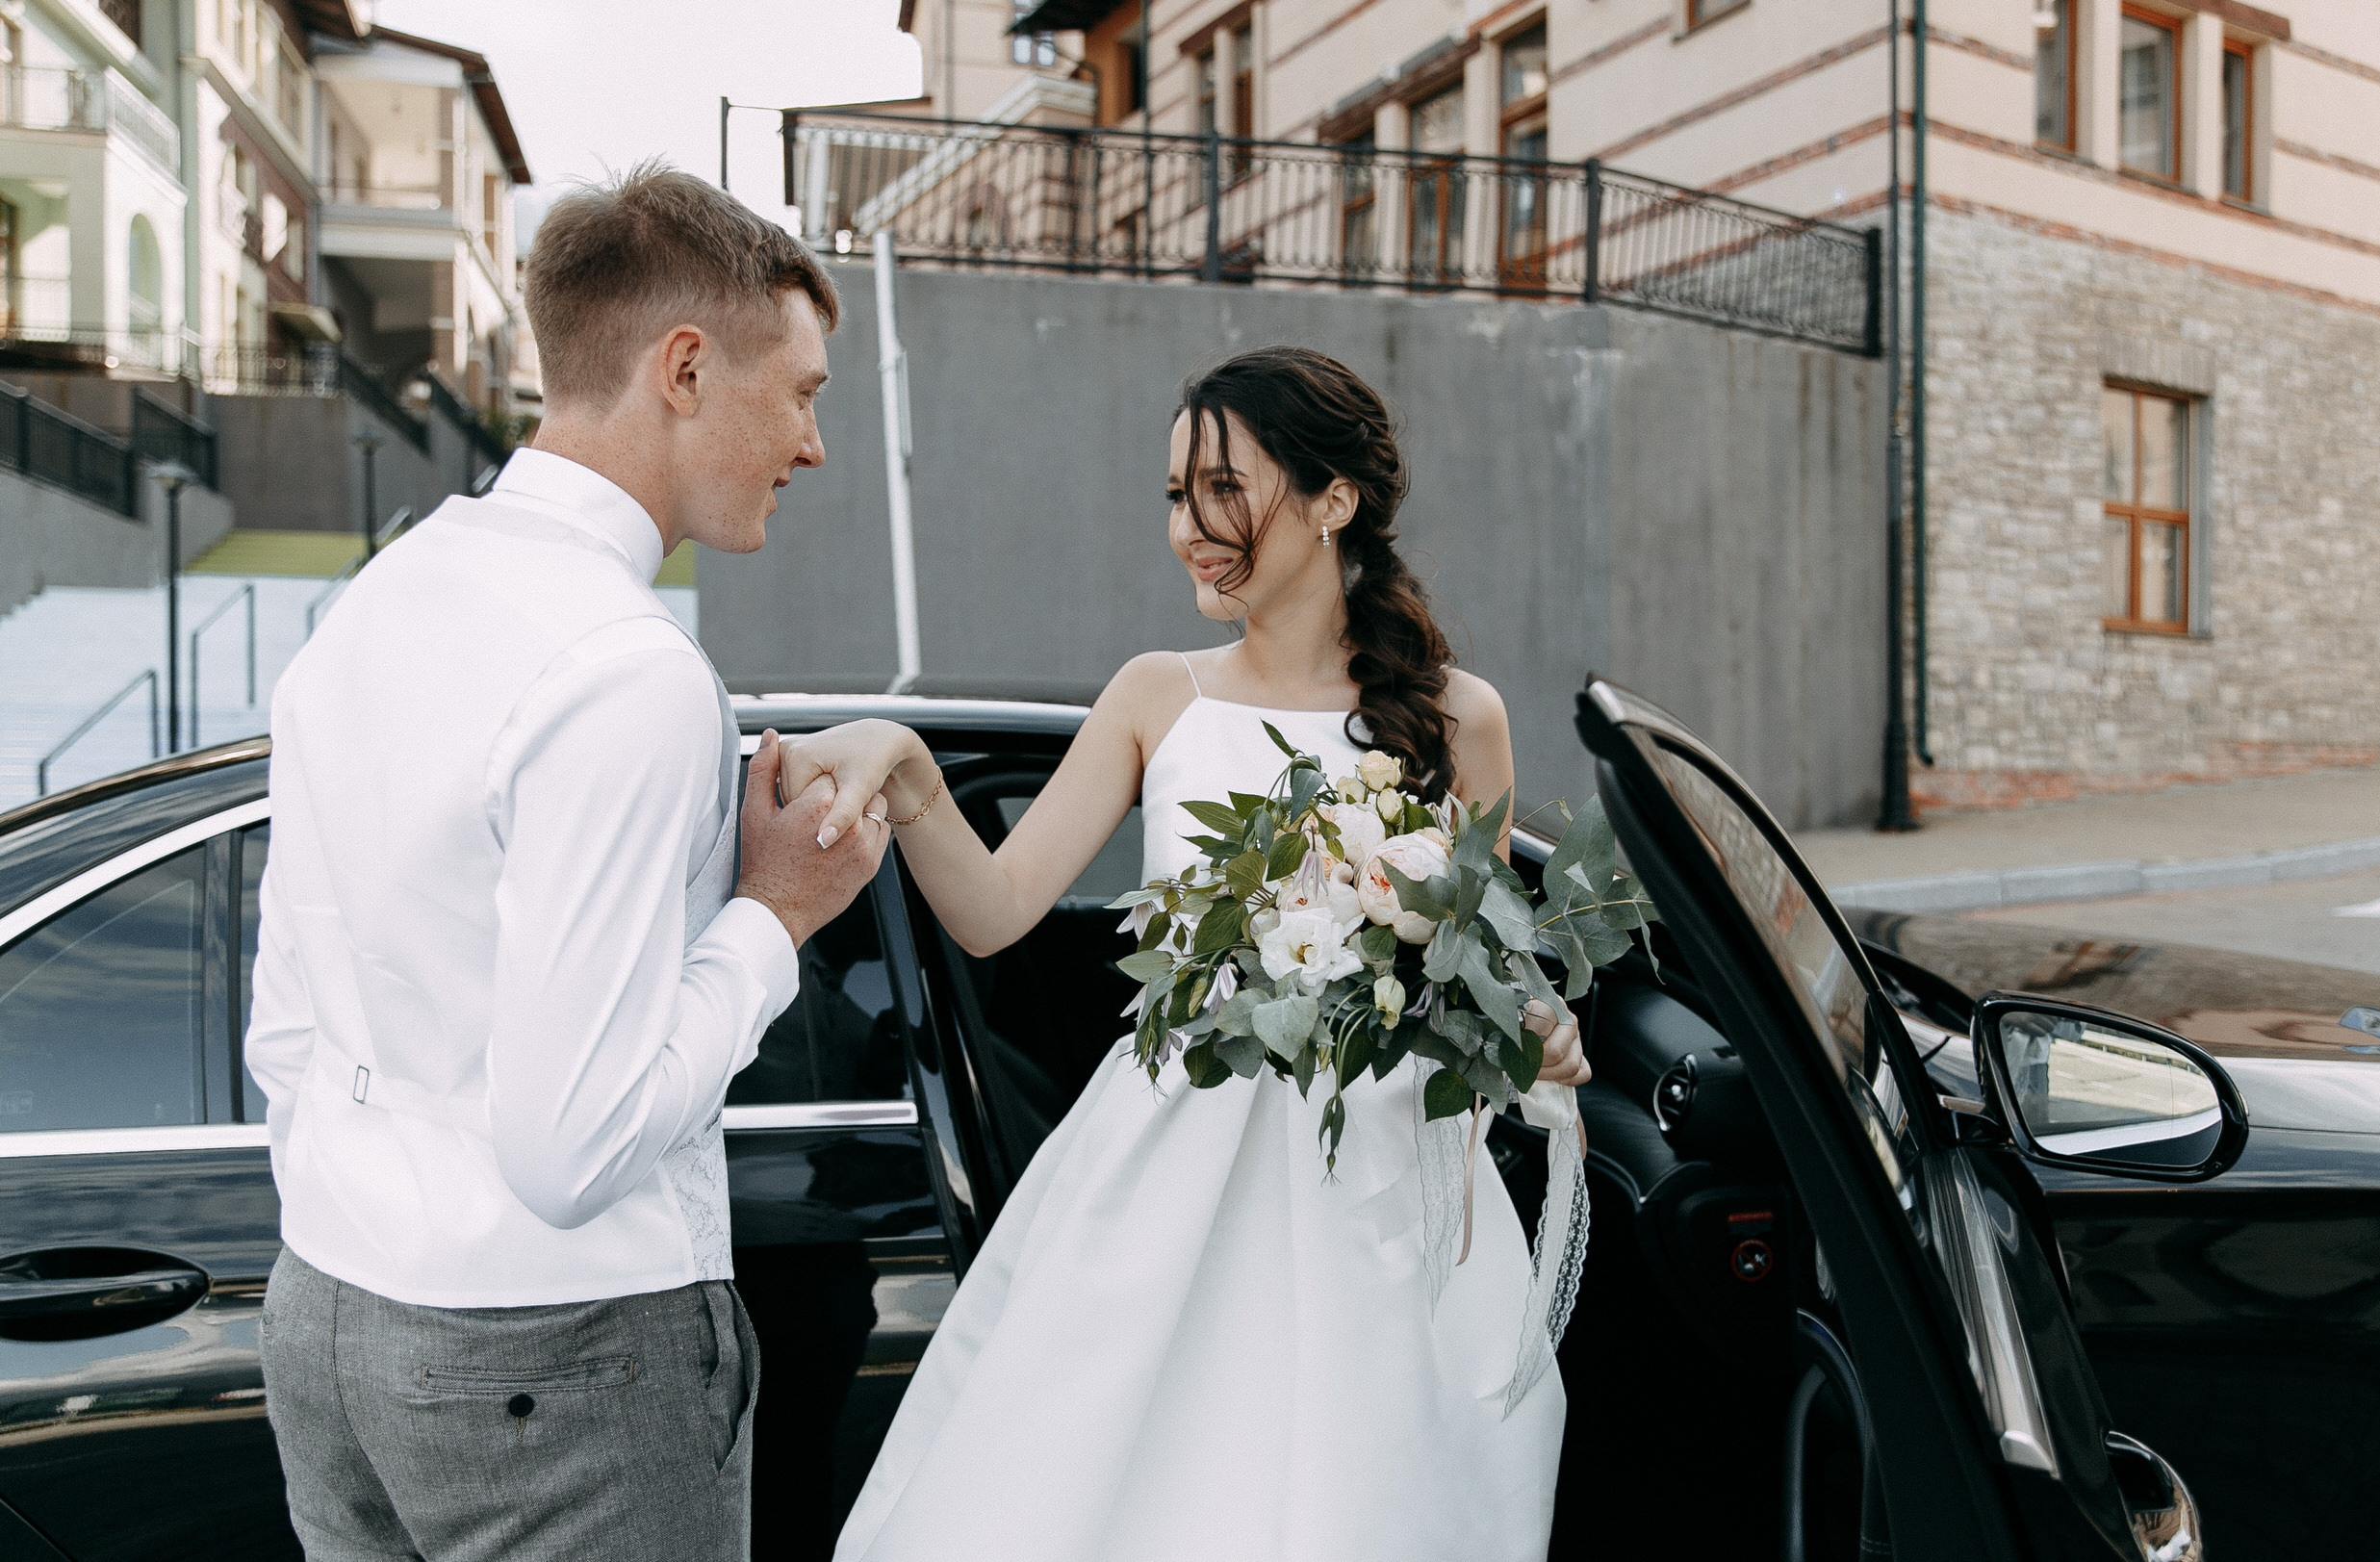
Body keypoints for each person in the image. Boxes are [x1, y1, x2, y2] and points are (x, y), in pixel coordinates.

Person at [784, 346, 1588, 1561]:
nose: (1190, 530)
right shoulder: (1157, 695)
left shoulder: (1460, 717)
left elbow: (1479, 964)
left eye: (1222, 489)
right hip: (1170, 1159)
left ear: (1332, 500)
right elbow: (996, 911)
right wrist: (906, 766)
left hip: (1384, 1180)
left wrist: (1538, 1023)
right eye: (1175, 495)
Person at [245, 165, 887, 1561]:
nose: (814, 442)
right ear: (685, 368)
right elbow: (569, 1148)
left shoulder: (380, 599)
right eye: (804, 391)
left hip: (327, 1314)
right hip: (559, 1360)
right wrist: (774, 917)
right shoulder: (626, 672)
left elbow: (286, 1026)